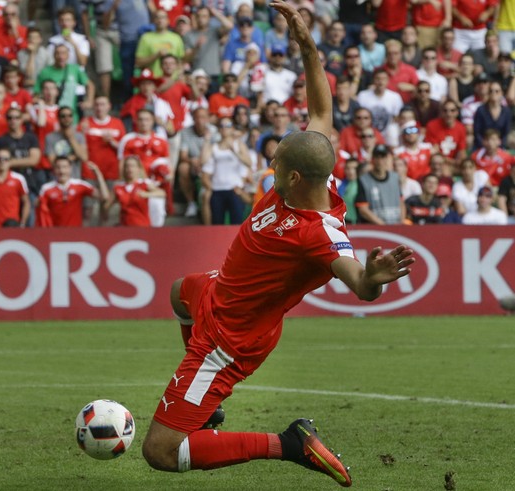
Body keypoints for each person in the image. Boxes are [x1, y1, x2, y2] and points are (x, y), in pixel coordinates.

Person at [140, 4, 414, 488]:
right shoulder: (303, 173)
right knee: (179, 290)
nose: (270, 160)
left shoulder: (319, 232)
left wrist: (372, 279)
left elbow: (356, 282)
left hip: (228, 340)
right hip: (218, 292)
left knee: (160, 451)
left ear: (291, 174)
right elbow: (323, 111)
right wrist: (308, 47)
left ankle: (289, 444)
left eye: (275, 159)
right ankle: (209, 410)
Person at [36, 157, 108, 227]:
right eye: (58, 167)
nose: (62, 171)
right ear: (53, 169)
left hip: (75, 232)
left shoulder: (79, 185)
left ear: (70, 168)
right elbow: (39, 210)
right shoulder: (46, 188)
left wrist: (98, 174)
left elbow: (105, 197)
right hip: (54, 232)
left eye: (65, 167)